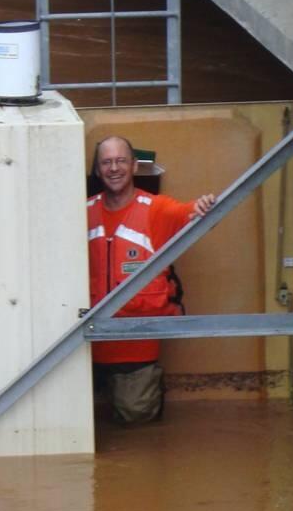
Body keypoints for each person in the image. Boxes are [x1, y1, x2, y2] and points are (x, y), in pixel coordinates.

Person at [87, 135, 215, 425]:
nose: (114, 168)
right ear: (97, 170)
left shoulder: (155, 209)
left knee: (137, 420)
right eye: (106, 162)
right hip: (83, 340)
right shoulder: (82, 213)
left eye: (121, 161)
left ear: (134, 166)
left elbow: (191, 213)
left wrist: (205, 205)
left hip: (136, 341)